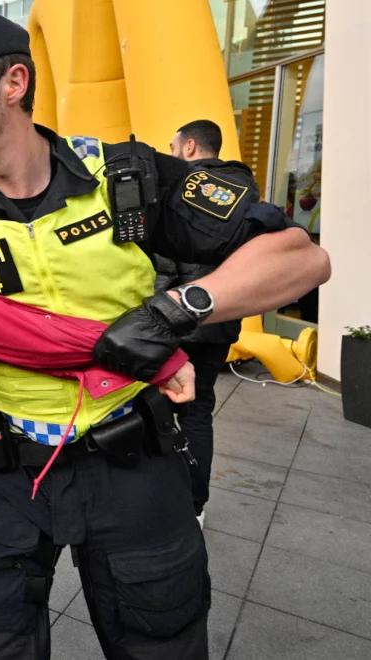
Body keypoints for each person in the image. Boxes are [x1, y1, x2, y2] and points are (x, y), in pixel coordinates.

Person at [0, 12, 330, 658]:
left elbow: (301, 258)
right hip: (7, 478)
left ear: (14, 82)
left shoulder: (124, 176)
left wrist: (172, 313)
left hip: (134, 468)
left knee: (163, 644)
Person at [162, 118, 243, 523]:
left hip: (175, 319)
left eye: (175, 146)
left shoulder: (178, 188)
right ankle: (195, 506)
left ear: (190, 147)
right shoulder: (243, 194)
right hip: (221, 318)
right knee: (198, 412)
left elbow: (160, 262)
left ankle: (163, 501)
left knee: (158, 409)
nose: (173, 153)